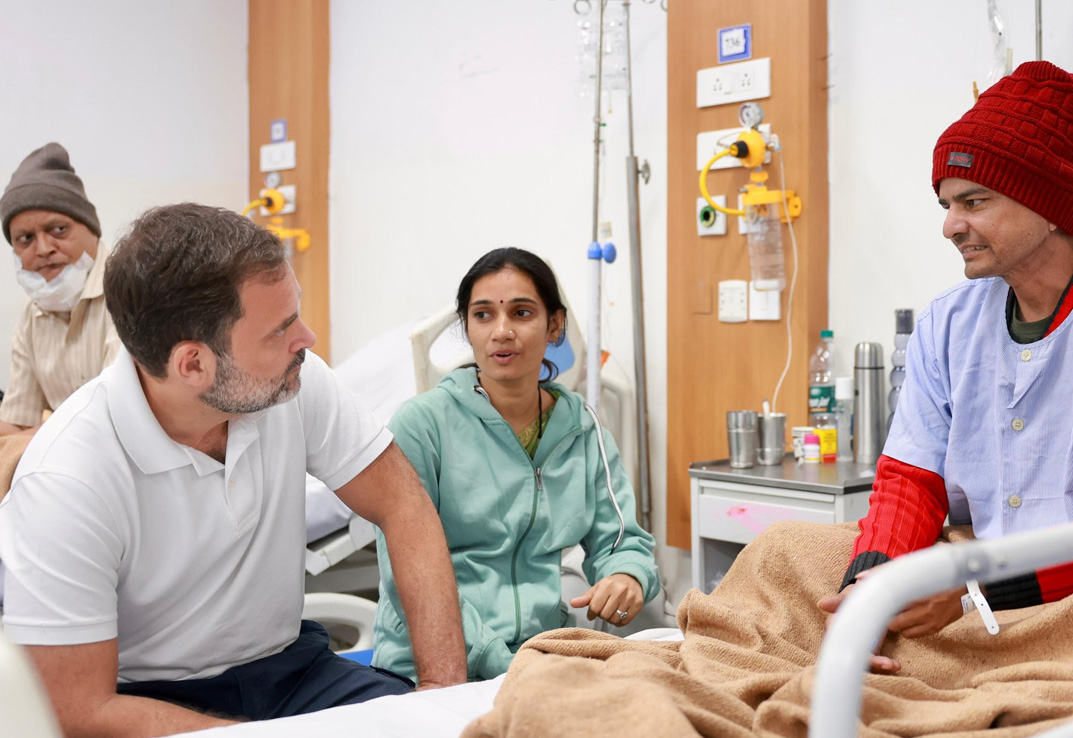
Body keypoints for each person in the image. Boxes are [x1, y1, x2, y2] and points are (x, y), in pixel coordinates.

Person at [0, 203, 467, 736]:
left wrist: (441, 693)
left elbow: (403, 505)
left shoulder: (296, 381)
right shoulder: (65, 481)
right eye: (281, 329)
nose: (307, 339)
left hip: (293, 673)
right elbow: (80, 710)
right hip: (144, 702)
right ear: (193, 364)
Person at [819, 60, 1073, 671]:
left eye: (974, 201)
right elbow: (911, 479)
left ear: (1050, 207)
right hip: (972, 568)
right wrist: (870, 589)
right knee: (786, 548)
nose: (950, 226)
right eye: (946, 204)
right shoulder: (947, 322)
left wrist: (980, 586)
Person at [372, 247, 660, 681]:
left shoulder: (583, 429)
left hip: (538, 654)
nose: (502, 331)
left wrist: (627, 576)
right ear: (467, 328)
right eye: (483, 315)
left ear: (555, 325)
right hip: (431, 665)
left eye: (522, 313)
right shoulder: (422, 425)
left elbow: (621, 541)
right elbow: (405, 574)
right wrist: (501, 662)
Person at [0, 142, 120, 436]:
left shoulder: (130, 291)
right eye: (25, 238)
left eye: (58, 230)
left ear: (92, 228)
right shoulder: (32, 312)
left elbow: (114, 418)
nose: (43, 249)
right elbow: (18, 422)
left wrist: (38, 434)